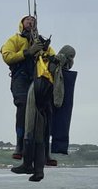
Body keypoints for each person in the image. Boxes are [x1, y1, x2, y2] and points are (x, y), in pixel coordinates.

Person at [11, 45, 76, 181]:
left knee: (30, 132)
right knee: (40, 137)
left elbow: (43, 71)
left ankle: (27, 165)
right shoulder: (64, 69)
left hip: (37, 95)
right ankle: (39, 172)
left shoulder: (54, 61)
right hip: (48, 104)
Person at [0, 16, 53, 161]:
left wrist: (48, 54)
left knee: (46, 110)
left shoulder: (41, 42)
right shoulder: (15, 40)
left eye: (33, 20)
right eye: (27, 20)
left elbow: (52, 57)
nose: (31, 22)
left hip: (39, 77)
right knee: (23, 106)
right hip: (21, 78)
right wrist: (27, 52)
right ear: (22, 24)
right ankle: (20, 146)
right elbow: (7, 56)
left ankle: (46, 151)